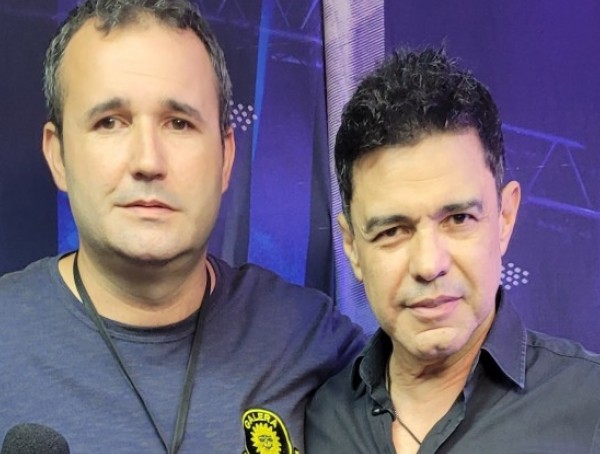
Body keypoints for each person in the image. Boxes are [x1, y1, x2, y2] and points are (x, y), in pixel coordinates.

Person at [0, 1, 365, 452]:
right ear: (58, 155)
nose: (147, 160)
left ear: (226, 156)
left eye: (179, 123)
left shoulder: (310, 337)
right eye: (109, 122)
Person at [305, 47, 600, 453]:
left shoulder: (590, 408)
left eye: (459, 219)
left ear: (505, 218)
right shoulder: (322, 418)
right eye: (392, 230)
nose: (429, 264)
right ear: (352, 246)